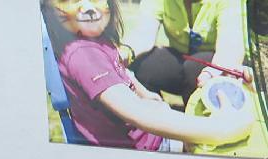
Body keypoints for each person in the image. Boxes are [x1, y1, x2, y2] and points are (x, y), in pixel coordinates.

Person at [42, 0, 254, 150]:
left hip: (148, 134)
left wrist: (145, 94)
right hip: (146, 146)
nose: (88, 7)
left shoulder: (93, 46)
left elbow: (121, 71)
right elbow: (138, 114)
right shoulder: (85, 55)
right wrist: (218, 129)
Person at [126, 0, 248, 103]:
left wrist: (211, 72)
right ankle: (152, 112)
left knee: (193, 67)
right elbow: (143, 33)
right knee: (144, 63)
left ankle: (196, 118)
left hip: (212, 65)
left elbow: (230, 47)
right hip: (180, 58)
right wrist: (125, 52)